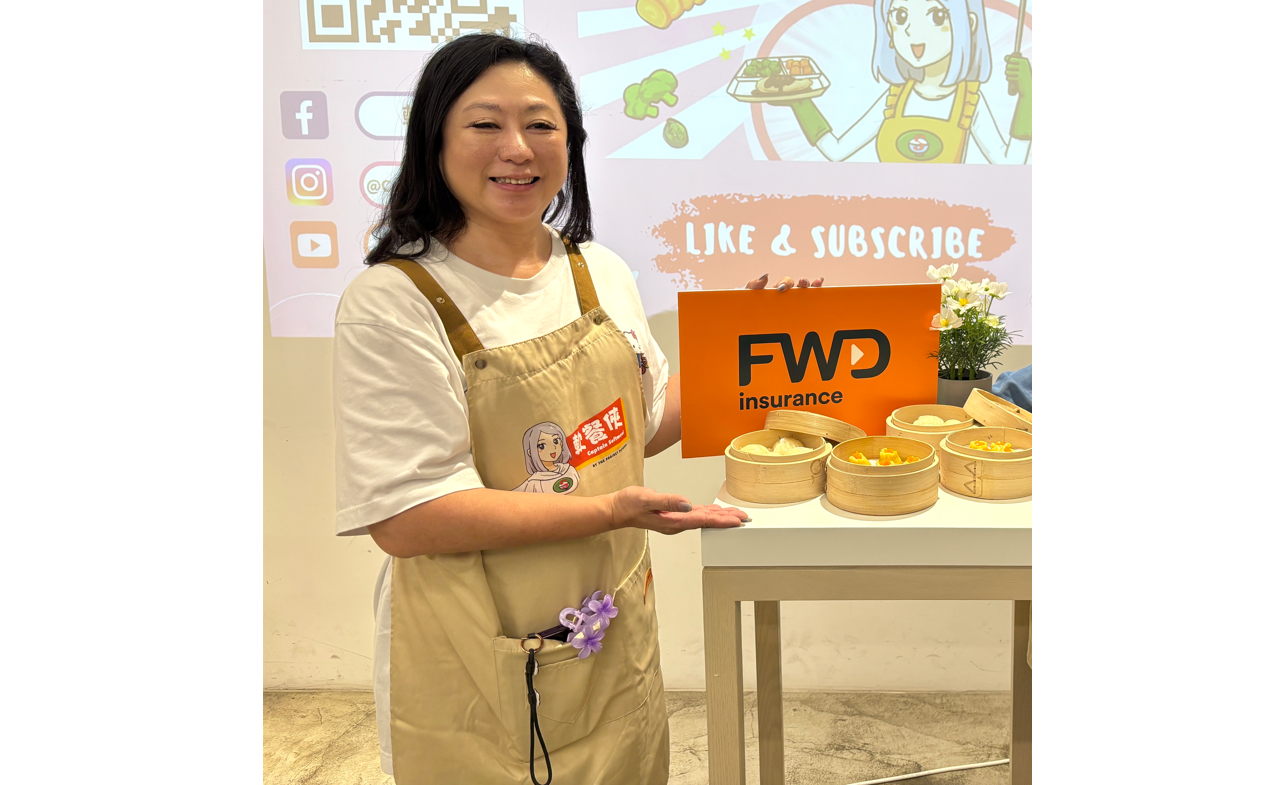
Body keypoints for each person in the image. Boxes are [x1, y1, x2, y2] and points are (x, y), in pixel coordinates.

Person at [331, 33, 817, 784]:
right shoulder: (394, 301)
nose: (517, 148)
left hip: (608, 625)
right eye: (485, 123)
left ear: (570, 141)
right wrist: (608, 510)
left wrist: (747, 348)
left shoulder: (597, 269)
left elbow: (640, 428)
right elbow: (407, 516)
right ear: (433, 140)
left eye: (541, 124)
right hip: (476, 647)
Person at [780, 0, 1031, 164]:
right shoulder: (895, 98)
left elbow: (1010, 163)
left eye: (936, 16)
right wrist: (800, 103)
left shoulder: (969, 101)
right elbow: (837, 151)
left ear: (968, 24)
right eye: (900, 17)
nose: (913, 31)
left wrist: (1028, 98)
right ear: (889, 29)